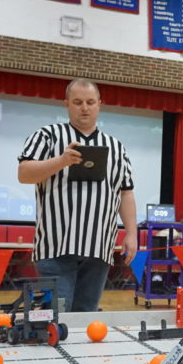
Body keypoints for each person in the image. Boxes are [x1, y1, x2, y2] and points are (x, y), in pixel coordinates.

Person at [18, 78, 137, 312]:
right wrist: (61, 161)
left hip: (99, 249)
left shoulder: (116, 146)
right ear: (66, 104)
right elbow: (24, 173)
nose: (84, 107)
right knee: (54, 318)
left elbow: (126, 191)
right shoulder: (47, 135)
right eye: (78, 102)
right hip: (55, 247)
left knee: (86, 320)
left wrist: (132, 233)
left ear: (100, 104)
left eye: (90, 102)